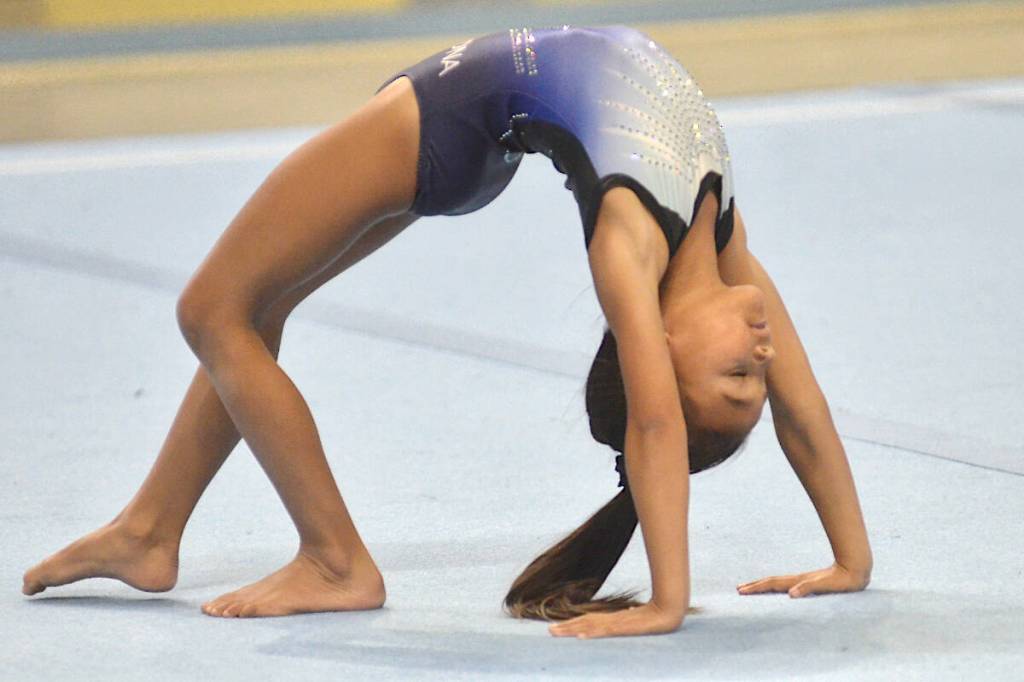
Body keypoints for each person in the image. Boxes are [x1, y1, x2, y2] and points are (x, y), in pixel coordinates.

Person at [21, 25, 872, 639]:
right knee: (252, 312)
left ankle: (333, 561)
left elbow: (656, 425)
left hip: (442, 116)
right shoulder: (725, 247)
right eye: (754, 378)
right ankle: (150, 530)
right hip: (474, 128)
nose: (761, 358)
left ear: (662, 349)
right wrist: (851, 560)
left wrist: (666, 603)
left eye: (736, 382)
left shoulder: (629, 245)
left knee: (210, 310)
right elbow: (806, 411)